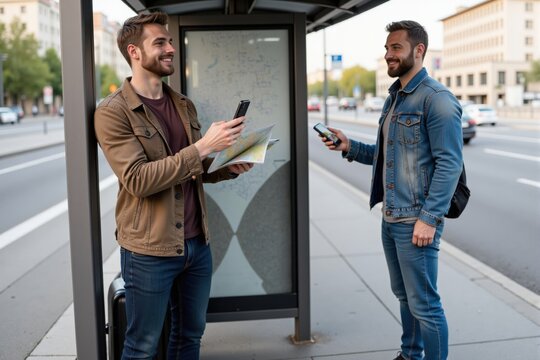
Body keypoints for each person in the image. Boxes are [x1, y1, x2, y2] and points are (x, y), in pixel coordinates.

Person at [94, 12, 253, 360]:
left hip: (197, 244)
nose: (170, 48)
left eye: (169, 41)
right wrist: (203, 147)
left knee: (190, 336)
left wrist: (227, 167)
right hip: (149, 250)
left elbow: (193, 169)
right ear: (134, 52)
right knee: (142, 345)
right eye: (160, 42)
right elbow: (138, 179)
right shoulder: (112, 112)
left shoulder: (182, 103)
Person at [320, 20, 462, 360]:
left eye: (395, 48)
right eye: (386, 49)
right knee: (404, 297)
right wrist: (348, 146)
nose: (388, 55)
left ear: (419, 50)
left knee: (425, 305)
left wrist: (429, 219)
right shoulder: (395, 98)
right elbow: (388, 158)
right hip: (392, 217)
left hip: (416, 221)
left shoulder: (437, 100)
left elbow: (450, 165)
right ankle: (410, 354)